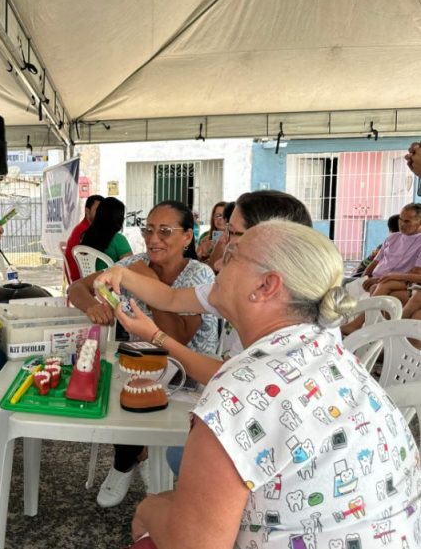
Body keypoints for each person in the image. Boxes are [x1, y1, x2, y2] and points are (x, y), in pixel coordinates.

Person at [122, 220, 421, 549]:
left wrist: (146, 510)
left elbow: (195, 544)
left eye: (233, 254)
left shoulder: (238, 392)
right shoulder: (326, 349)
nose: (219, 262)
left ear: (266, 286)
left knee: (154, 515)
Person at [69, 200, 218, 508]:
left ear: (188, 237)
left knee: (131, 387)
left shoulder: (199, 276)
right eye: (149, 229)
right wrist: (93, 305)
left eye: (165, 231)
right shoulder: (133, 264)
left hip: (187, 374)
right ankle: (128, 460)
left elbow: (177, 336)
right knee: (109, 384)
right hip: (139, 364)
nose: (153, 239)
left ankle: (136, 460)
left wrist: (147, 281)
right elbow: (77, 289)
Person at [98, 190, 314, 382]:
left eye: (233, 233)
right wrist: (122, 273)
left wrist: (156, 335)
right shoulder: (240, 288)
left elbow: (231, 380)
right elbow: (170, 297)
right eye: (226, 231)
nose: (223, 243)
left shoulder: (286, 324)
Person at [342, 203, 421, 334]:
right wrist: (365, 277)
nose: (402, 224)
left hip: (395, 281)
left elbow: (416, 273)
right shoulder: (393, 237)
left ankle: (360, 326)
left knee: (382, 285)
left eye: (407, 221)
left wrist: (380, 279)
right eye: (400, 219)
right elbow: (374, 262)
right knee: (342, 287)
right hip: (376, 278)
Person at [79, 196, 132, 270]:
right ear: (118, 218)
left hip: (89, 280)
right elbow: (131, 266)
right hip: (110, 281)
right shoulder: (118, 239)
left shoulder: (85, 236)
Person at [64, 194, 103, 282]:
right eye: (97, 210)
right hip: (81, 279)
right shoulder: (86, 231)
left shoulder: (84, 227)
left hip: (78, 279)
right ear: (87, 211)